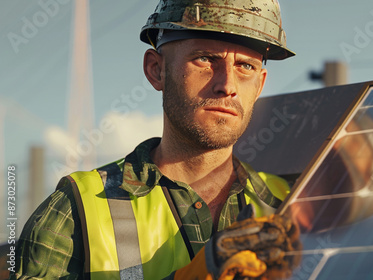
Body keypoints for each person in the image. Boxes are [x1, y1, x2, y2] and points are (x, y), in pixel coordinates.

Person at [11, 0, 301, 279]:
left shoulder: (292, 203)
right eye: (205, 59)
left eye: (245, 67)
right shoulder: (76, 208)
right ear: (156, 70)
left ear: (260, 84)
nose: (227, 85)